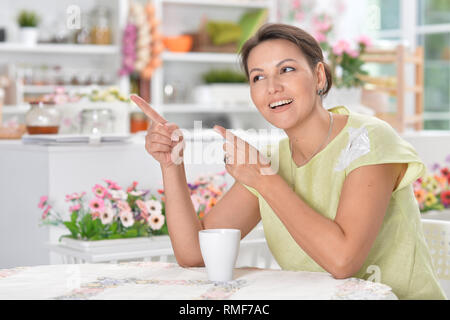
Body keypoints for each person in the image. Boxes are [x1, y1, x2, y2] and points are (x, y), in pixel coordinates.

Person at [130, 23, 446, 300]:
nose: (272, 87)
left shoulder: (368, 139)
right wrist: (171, 164)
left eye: (287, 69)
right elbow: (195, 254)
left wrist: (265, 181)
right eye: (258, 77)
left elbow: (343, 261)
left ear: (319, 75)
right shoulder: (272, 160)